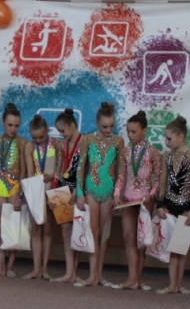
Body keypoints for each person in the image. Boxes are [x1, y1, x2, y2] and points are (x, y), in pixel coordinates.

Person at [74, 102, 124, 288]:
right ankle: (91, 275)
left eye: (111, 126)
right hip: (91, 190)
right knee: (92, 232)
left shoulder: (118, 141)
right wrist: (80, 194)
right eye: (105, 126)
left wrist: (117, 193)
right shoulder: (87, 139)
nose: (108, 130)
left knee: (104, 235)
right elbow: (81, 168)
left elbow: (121, 170)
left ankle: (100, 275)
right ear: (96, 123)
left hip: (108, 191)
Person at [113, 110, 161, 291]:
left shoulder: (153, 153)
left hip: (144, 200)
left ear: (144, 131)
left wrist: (151, 195)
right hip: (128, 199)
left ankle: (137, 279)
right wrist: (117, 194)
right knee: (128, 237)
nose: (130, 135)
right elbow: (121, 176)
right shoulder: (125, 152)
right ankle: (131, 278)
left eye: (134, 131)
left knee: (142, 240)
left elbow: (158, 179)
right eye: (128, 131)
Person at [156, 116, 190, 294]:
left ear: (181, 137)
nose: (166, 142)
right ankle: (171, 284)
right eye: (165, 138)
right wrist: (159, 205)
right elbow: (162, 182)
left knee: (181, 248)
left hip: (186, 208)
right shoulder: (167, 156)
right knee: (171, 248)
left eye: (169, 138)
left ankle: (179, 284)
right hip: (169, 206)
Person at [0, 103, 25, 278]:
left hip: (15, 186)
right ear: (2, 122)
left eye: (16, 125)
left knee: (13, 226)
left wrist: (20, 196)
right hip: (0, 185)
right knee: (0, 226)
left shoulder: (22, 142)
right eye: (10, 125)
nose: (13, 129)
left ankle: (10, 266)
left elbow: (23, 170)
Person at [23, 114, 62, 280]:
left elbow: (61, 167)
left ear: (47, 131)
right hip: (36, 189)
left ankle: (45, 268)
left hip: (52, 188)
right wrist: (36, 190)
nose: (38, 140)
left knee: (47, 228)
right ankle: (36, 268)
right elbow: (30, 172)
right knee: (36, 228)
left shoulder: (56, 144)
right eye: (35, 137)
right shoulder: (29, 146)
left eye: (41, 137)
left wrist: (53, 176)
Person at [52, 109, 83, 284]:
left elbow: (86, 170)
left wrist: (78, 190)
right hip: (62, 188)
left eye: (63, 131)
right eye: (59, 132)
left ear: (72, 126)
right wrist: (53, 193)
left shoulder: (85, 142)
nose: (61, 134)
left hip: (78, 189)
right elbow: (58, 169)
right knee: (65, 231)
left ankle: (74, 271)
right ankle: (69, 271)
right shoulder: (62, 145)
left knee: (77, 229)